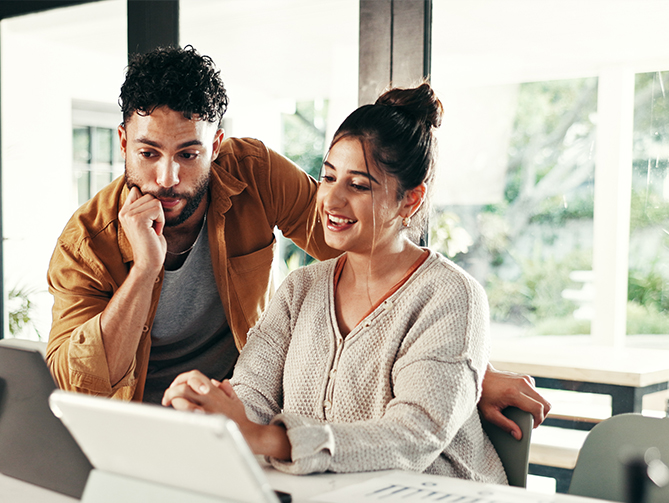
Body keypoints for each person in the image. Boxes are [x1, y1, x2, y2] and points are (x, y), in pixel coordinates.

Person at [46, 45, 549, 437]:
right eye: (149, 152)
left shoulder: (253, 172)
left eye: (189, 154)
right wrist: (144, 271)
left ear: (216, 146)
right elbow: (77, 381)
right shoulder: (86, 241)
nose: (167, 177)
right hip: (129, 431)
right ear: (122, 142)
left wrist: (462, 371)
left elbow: (364, 253)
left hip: (238, 414)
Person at [163, 85, 505, 482]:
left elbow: (412, 437)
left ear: (410, 200)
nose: (332, 200)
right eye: (327, 177)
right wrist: (215, 410)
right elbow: (252, 395)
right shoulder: (301, 289)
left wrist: (267, 439)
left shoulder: (450, 295)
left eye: (358, 185)